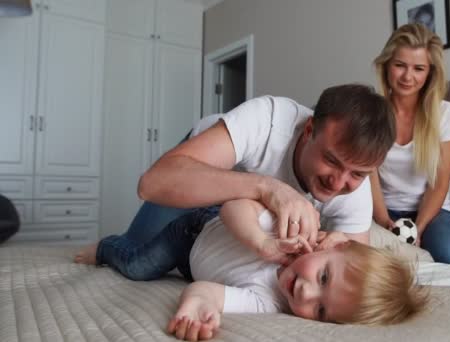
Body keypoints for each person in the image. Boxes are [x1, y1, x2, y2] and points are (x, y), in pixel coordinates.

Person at [76, 84, 396, 280]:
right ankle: (106, 248)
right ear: (310, 130)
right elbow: (152, 183)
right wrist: (269, 189)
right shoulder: (267, 120)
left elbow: (353, 275)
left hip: (241, 216)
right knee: (140, 256)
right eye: (332, 161)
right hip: (200, 171)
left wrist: (335, 244)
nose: (339, 182)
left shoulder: (356, 183)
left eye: (357, 174)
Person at [173, 199, 428, 340]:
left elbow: (208, 292)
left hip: (186, 259)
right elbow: (234, 207)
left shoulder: (267, 303)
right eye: (324, 277)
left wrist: (200, 303)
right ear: (335, 244)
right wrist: (262, 243)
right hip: (198, 224)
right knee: (135, 264)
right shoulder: (291, 230)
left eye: (320, 310)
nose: (306, 293)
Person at [371, 23, 450, 264]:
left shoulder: (448, 116)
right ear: (387, 65)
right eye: (400, 65)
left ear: (430, 72)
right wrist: (382, 221)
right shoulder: (370, 114)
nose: (408, 76)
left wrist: (417, 229)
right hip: (380, 210)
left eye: (418, 68)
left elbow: (439, 183)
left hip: (432, 213)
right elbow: (369, 176)